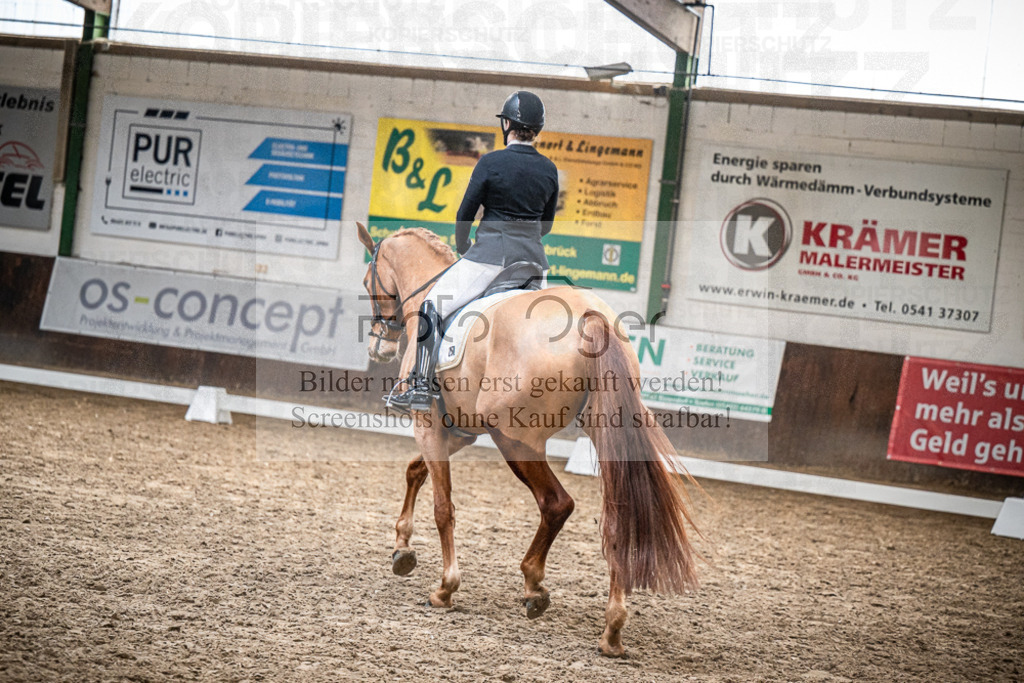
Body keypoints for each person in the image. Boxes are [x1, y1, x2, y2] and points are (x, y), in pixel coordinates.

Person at [388, 90, 560, 413]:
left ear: (507, 124)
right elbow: (545, 225)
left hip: (491, 259)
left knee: (430, 307)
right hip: (535, 266)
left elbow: (465, 213)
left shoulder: (491, 162)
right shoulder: (549, 169)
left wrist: (465, 247)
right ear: (536, 129)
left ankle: (422, 387)